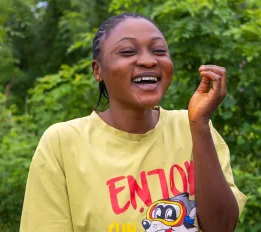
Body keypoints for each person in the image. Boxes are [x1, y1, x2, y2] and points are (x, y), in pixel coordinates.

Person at [20, 13, 247, 232]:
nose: (149, 61)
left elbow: (222, 227)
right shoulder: (62, 143)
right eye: (128, 51)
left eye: (159, 50)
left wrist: (199, 125)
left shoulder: (193, 127)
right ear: (97, 70)